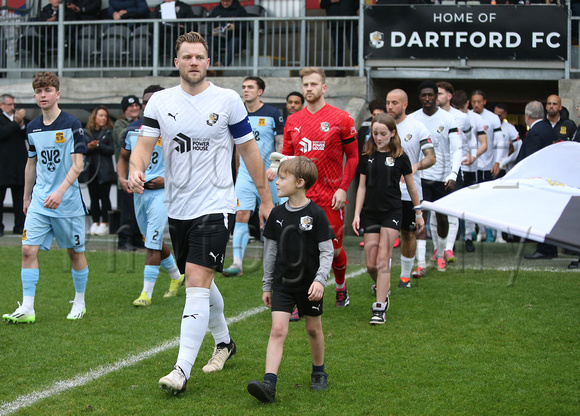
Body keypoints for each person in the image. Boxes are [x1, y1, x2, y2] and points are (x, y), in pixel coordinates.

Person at [128, 31, 273, 394]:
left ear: (208, 62)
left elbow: (251, 152)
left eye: (200, 57)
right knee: (202, 283)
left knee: (195, 281)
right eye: (187, 57)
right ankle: (225, 342)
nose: (194, 62)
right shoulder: (160, 101)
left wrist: (265, 199)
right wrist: (135, 169)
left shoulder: (227, 100)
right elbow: (144, 145)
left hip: (216, 205)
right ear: (176, 62)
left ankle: (180, 370)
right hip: (177, 207)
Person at [2, 72, 89, 324]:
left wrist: (60, 192)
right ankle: (27, 308)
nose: (43, 95)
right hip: (40, 201)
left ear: (57, 94)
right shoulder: (31, 127)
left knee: (74, 252)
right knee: (27, 250)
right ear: (35, 95)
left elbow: (78, 165)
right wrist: (26, 197)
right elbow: (31, 164)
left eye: (48, 90)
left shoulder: (72, 124)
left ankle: (80, 301)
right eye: (39, 91)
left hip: (67, 202)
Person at [247, 156, 334, 403]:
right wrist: (267, 284)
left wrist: (320, 280)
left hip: (310, 286)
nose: (277, 181)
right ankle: (269, 385)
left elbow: (327, 251)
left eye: (282, 178)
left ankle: (319, 371)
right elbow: (270, 252)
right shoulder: (276, 214)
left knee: (313, 329)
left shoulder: (316, 214)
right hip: (282, 284)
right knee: (277, 330)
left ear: (300, 182)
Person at [283, 67, 358, 308]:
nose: (309, 89)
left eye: (314, 84)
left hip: (330, 197)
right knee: (301, 250)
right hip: (300, 197)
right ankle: (300, 300)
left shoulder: (341, 118)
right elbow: (285, 156)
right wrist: (278, 170)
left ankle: (340, 286)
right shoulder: (293, 120)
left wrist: (343, 188)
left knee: (333, 251)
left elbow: (354, 157)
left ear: (324, 88)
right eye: (305, 85)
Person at [117, 85, 185, 306]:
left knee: (152, 243)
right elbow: (124, 157)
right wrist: (123, 178)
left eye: (153, 101)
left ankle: (145, 294)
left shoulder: (176, 128)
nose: (149, 105)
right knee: (151, 238)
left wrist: (166, 181)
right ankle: (177, 276)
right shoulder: (134, 130)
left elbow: (188, 165)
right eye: (145, 102)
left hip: (163, 193)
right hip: (139, 192)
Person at [353, 113, 424, 323]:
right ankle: (383, 285)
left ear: (392, 133)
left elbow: (411, 187)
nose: (378, 137)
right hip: (370, 213)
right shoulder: (366, 155)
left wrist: (418, 212)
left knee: (384, 258)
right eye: (375, 133)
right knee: (371, 264)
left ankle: (380, 306)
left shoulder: (401, 157)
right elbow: (361, 187)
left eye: (383, 133)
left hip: (392, 212)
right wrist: (356, 214)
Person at [222, 76, 285, 277]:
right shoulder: (237, 113)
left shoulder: (273, 113)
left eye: (250, 87)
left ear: (260, 92)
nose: (245, 90)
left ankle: (280, 261)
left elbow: (281, 143)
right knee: (241, 214)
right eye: (243, 87)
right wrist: (239, 169)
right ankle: (237, 264)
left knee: (276, 216)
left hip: (270, 175)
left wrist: (275, 167)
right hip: (245, 176)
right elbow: (237, 147)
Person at [409, 81, 461, 273]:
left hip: (442, 177)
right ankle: (421, 263)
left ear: (437, 96)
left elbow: (457, 149)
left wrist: (453, 173)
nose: (428, 99)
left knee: (442, 219)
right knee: (420, 217)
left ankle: (440, 255)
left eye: (432, 95)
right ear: (420, 97)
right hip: (420, 178)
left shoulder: (448, 119)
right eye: (424, 95)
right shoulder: (413, 119)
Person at [385, 89, 435, 285]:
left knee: (408, 233)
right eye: (388, 102)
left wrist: (415, 166)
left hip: (409, 192)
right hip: (385, 192)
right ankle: (384, 278)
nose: (390, 106)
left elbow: (431, 157)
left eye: (395, 103)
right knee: (386, 235)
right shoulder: (380, 125)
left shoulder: (417, 127)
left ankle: (405, 276)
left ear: (405, 105)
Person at [435, 81, 473, 262]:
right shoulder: (429, 116)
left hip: (455, 169)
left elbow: (470, 138)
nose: (436, 97)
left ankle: (449, 248)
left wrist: (471, 155)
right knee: (434, 210)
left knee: (452, 209)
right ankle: (438, 249)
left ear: (450, 96)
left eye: (440, 93)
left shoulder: (462, 117)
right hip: (433, 170)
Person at [516, 101, 559, 260]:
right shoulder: (549, 129)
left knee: (542, 215)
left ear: (527, 116)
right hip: (550, 179)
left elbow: (532, 160)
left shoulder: (535, 132)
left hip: (539, 181)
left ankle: (545, 248)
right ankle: (549, 248)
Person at [451, 90, 487, 253]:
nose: (459, 112)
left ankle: (468, 237)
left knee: (469, 202)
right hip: (453, 166)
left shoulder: (477, 119)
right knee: (452, 203)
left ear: (467, 104)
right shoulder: (449, 116)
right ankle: (450, 241)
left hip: (470, 166)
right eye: (456, 108)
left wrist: (473, 156)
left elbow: (483, 143)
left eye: (462, 108)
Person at [470, 90, 502, 243]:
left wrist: (498, 162)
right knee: (472, 199)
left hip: (487, 165)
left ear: (484, 102)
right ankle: (475, 231)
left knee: (487, 199)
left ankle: (489, 231)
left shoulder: (493, 118)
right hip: (470, 166)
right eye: (473, 101)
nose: (476, 104)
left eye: (479, 101)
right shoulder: (467, 117)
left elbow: (500, 142)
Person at [113, 95, 143, 251]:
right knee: (127, 212)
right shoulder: (120, 124)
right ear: (125, 109)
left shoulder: (142, 124)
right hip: (125, 176)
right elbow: (122, 139)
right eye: (130, 107)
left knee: (138, 211)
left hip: (139, 174)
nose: (134, 109)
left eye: (136, 106)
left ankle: (137, 238)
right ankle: (123, 241)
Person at [81, 106, 116, 236]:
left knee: (104, 197)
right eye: (101, 115)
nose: (103, 118)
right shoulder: (86, 132)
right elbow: (81, 149)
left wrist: (99, 146)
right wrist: (89, 147)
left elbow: (112, 150)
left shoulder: (109, 132)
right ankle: (95, 222)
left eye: (105, 116)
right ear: (94, 117)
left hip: (105, 170)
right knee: (93, 198)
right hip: (91, 170)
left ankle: (105, 223)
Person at [0, 94, 27, 236]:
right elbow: (2, 134)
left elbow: (27, 135)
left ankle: (20, 227)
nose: (12, 107)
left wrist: (21, 125)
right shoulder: (5, 120)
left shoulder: (18, 120)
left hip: (18, 167)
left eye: (13, 105)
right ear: (1, 105)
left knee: (20, 199)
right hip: (3, 167)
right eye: (9, 104)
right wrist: (15, 123)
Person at [320, 0, 359, 76]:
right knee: (338, 48)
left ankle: (357, 69)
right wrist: (331, 1)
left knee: (354, 46)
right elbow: (322, 4)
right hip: (335, 22)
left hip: (350, 21)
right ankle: (339, 71)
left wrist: (349, 11)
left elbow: (357, 3)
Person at [208, 0, 249, 67]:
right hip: (219, 39)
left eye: (227, 1)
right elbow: (209, 25)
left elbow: (247, 26)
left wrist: (235, 27)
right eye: (223, 1)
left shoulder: (240, 10)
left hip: (235, 39)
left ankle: (223, 66)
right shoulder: (216, 10)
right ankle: (210, 66)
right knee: (208, 40)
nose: (225, 3)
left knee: (234, 41)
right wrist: (213, 31)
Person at [493, 103, 521, 175]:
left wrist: (503, 162)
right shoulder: (487, 125)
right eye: (494, 115)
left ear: (505, 115)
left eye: (499, 115)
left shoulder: (510, 128)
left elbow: (519, 148)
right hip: (486, 167)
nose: (496, 117)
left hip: (502, 168)